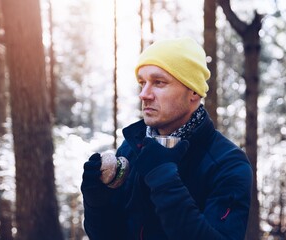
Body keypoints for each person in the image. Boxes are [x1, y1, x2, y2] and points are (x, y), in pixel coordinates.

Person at [81, 37, 253, 240]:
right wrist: (97, 204)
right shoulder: (131, 148)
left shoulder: (228, 164)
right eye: (142, 83)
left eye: (159, 83)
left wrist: (164, 180)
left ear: (194, 92)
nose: (144, 95)